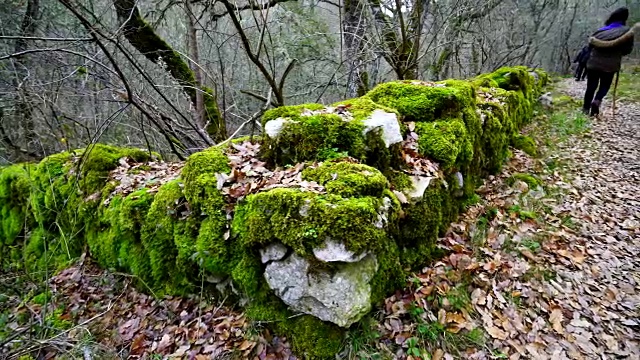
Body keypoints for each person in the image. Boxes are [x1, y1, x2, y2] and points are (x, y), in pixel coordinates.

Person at [582, 7, 634, 117]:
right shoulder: (627, 33)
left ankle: (585, 109)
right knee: (604, 86)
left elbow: (590, 46)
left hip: (594, 63)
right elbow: (627, 50)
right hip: (610, 65)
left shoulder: (600, 31)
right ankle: (597, 100)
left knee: (591, 86)